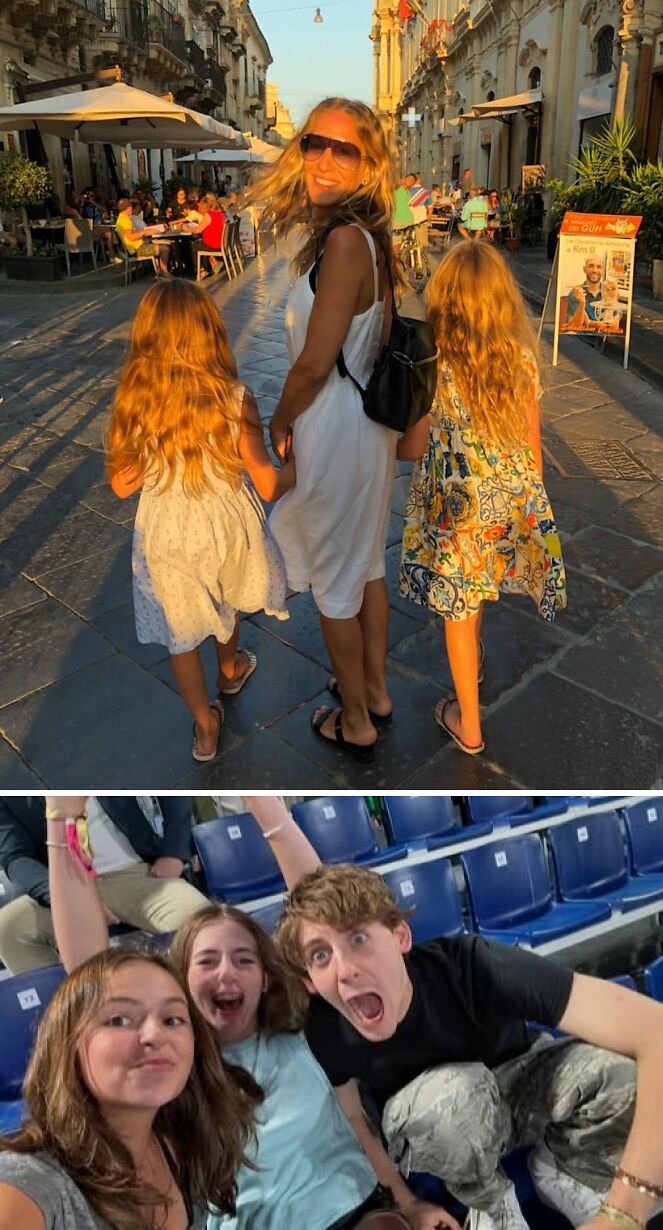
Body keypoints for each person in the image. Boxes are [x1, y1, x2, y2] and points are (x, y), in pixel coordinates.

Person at [246, 796, 663, 1230]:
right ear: (308, 980)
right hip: (445, 1122)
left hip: (521, 1084)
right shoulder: (328, 1027)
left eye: (359, 939)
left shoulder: (473, 963)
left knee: (627, 1079)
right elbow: (355, 1122)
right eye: (320, 957)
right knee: (453, 1097)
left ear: (400, 937)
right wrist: (408, 1204)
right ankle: (493, 1204)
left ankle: (563, 1169)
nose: (345, 971)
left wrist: (623, 1214)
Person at [46, 795, 458, 1230]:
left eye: (244, 960)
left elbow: (327, 914)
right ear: (182, 983)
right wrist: (62, 822)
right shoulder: (173, 1067)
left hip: (357, 1214)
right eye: (207, 961)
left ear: (265, 978)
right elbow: (90, 977)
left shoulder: (302, 1027)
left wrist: (265, 805)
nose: (227, 972)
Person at [248, 96, 400, 763]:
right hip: (366, 427)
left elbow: (312, 361)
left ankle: (358, 719)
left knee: (338, 584)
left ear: (369, 165)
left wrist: (279, 420)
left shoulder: (343, 241)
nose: (326, 159)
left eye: (346, 149)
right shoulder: (368, 238)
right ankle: (376, 689)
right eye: (316, 143)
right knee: (364, 566)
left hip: (336, 426)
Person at [106, 280, 292, 762]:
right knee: (225, 600)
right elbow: (267, 483)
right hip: (226, 525)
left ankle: (206, 726)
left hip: (167, 531)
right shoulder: (234, 397)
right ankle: (229, 671)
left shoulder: (136, 402)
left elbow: (122, 485)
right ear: (210, 332)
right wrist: (298, 465)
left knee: (181, 630)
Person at [397, 241, 566, 755]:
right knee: (476, 594)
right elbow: (532, 450)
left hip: (454, 511)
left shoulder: (434, 366)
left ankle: (468, 722)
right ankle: (474, 655)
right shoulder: (520, 361)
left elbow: (413, 446)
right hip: (504, 504)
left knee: (456, 612)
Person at [0, 945, 254, 1229]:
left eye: (173, 1019)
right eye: (119, 1019)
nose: (155, 1035)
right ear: (67, 1045)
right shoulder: (27, 1184)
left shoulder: (186, 1146)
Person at [0, 795, 208, 973]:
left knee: (199, 921)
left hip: (133, 872)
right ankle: (70, 1008)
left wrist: (174, 851)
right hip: (62, 883)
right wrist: (65, 899)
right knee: (8, 930)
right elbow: (15, 857)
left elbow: (171, 791)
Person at [114, 197, 170, 276]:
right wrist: (145, 232)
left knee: (165, 244)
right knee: (165, 249)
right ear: (129, 208)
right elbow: (131, 237)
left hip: (138, 246)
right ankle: (164, 272)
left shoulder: (123, 218)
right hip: (137, 249)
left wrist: (147, 230)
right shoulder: (125, 221)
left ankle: (161, 270)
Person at [184, 192, 227, 279]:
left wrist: (187, 229)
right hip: (221, 243)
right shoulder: (221, 214)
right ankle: (214, 263)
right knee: (200, 242)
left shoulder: (209, 215)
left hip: (213, 244)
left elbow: (198, 230)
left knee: (194, 245)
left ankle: (201, 270)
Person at [566, 256, 616, 327]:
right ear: (584, 269)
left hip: (603, 337)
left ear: (603, 270)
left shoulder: (610, 292)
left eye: (599, 267)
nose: (595, 270)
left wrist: (589, 322)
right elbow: (573, 326)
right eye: (591, 266)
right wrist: (582, 304)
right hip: (581, 337)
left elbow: (614, 326)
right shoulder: (575, 293)